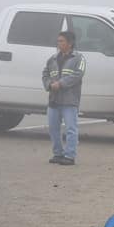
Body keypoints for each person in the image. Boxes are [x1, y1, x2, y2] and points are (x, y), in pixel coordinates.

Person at [42, 31, 86, 166]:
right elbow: (45, 74)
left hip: (69, 100)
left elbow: (78, 75)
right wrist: (49, 84)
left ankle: (69, 156)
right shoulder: (52, 59)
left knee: (71, 128)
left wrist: (60, 84)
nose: (59, 43)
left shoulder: (79, 59)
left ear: (70, 43)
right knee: (53, 128)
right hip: (54, 100)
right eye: (58, 41)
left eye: (61, 41)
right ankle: (58, 154)